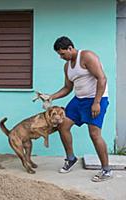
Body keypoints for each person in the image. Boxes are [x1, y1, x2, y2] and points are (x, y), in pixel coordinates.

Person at [48, 36, 112, 182]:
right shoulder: (67, 66)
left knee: (94, 134)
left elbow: (102, 78)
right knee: (62, 125)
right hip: (79, 100)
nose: (61, 57)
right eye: (59, 54)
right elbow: (67, 87)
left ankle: (106, 170)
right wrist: (51, 97)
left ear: (70, 48)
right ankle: (70, 158)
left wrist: (96, 102)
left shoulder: (87, 56)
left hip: (97, 99)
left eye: (62, 53)